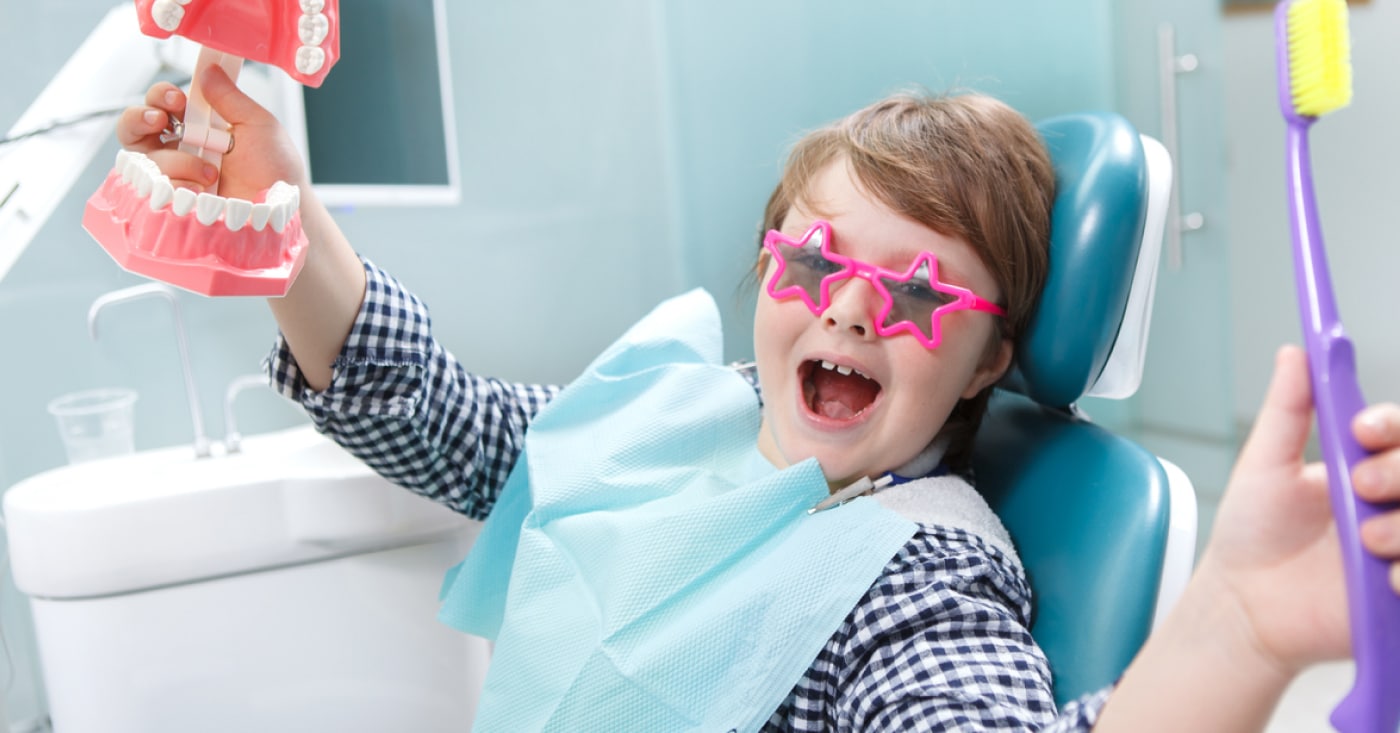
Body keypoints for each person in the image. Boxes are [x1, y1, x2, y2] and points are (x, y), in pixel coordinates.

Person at [115, 66, 1400, 731]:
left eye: (914, 294)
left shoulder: (917, 573)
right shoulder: (688, 408)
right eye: (814, 261)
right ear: (766, 263)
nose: (847, 310)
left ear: (992, 358)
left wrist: (1232, 631)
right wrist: (278, 223)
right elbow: (445, 421)